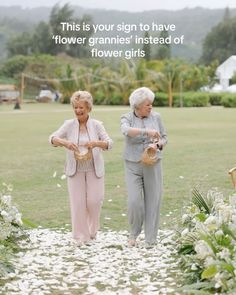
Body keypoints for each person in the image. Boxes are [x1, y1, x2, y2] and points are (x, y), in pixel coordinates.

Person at [49, 90, 112, 246]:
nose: (78, 111)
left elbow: (109, 143)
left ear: (88, 108)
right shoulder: (68, 125)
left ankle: (91, 231)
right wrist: (65, 143)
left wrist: (96, 143)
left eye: (81, 108)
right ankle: (80, 237)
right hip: (75, 170)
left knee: (94, 201)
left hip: (94, 169)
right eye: (75, 107)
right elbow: (52, 139)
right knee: (78, 204)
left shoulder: (97, 125)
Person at [120, 87, 168, 248]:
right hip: (132, 164)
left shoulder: (157, 117)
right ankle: (133, 234)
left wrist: (158, 144)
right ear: (138, 106)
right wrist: (147, 132)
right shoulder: (126, 117)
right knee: (134, 201)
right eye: (147, 104)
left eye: (151, 104)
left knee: (153, 201)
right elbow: (126, 131)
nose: (150, 107)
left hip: (153, 164)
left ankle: (150, 239)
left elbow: (164, 137)